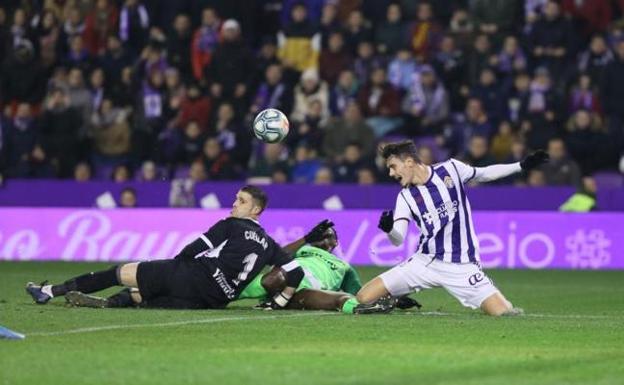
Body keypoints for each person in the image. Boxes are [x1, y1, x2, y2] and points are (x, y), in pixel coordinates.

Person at [26, 186, 323, 310]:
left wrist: (177, 263)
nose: (234, 204)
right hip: (215, 300)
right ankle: (110, 305)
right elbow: (295, 270)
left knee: (123, 272)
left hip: (194, 276)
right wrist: (281, 301)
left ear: (256, 210)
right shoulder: (270, 245)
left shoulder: (232, 225)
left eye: (241, 201)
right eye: (235, 199)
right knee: (143, 295)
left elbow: (197, 247)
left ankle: (51, 291)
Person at [355, 140, 549, 316]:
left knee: (504, 313)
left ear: (408, 162)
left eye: (392, 167)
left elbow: (484, 173)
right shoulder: (405, 197)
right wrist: (389, 230)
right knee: (364, 297)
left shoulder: (451, 169)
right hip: (424, 262)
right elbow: (398, 240)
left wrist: (521, 166)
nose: (390, 173)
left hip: (462, 266)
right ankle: (395, 298)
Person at [238, 226, 420, 314]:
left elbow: (360, 293)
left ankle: (373, 310)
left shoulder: (344, 266)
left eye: (329, 234)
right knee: (274, 277)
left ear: (335, 243)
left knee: (344, 299)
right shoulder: (302, 249)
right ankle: (219, 296)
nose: (324, 236)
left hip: (305, 294)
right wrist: (305, 239)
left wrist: (395, 299)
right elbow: (277, 255)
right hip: (283, 282)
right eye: (321, 233)